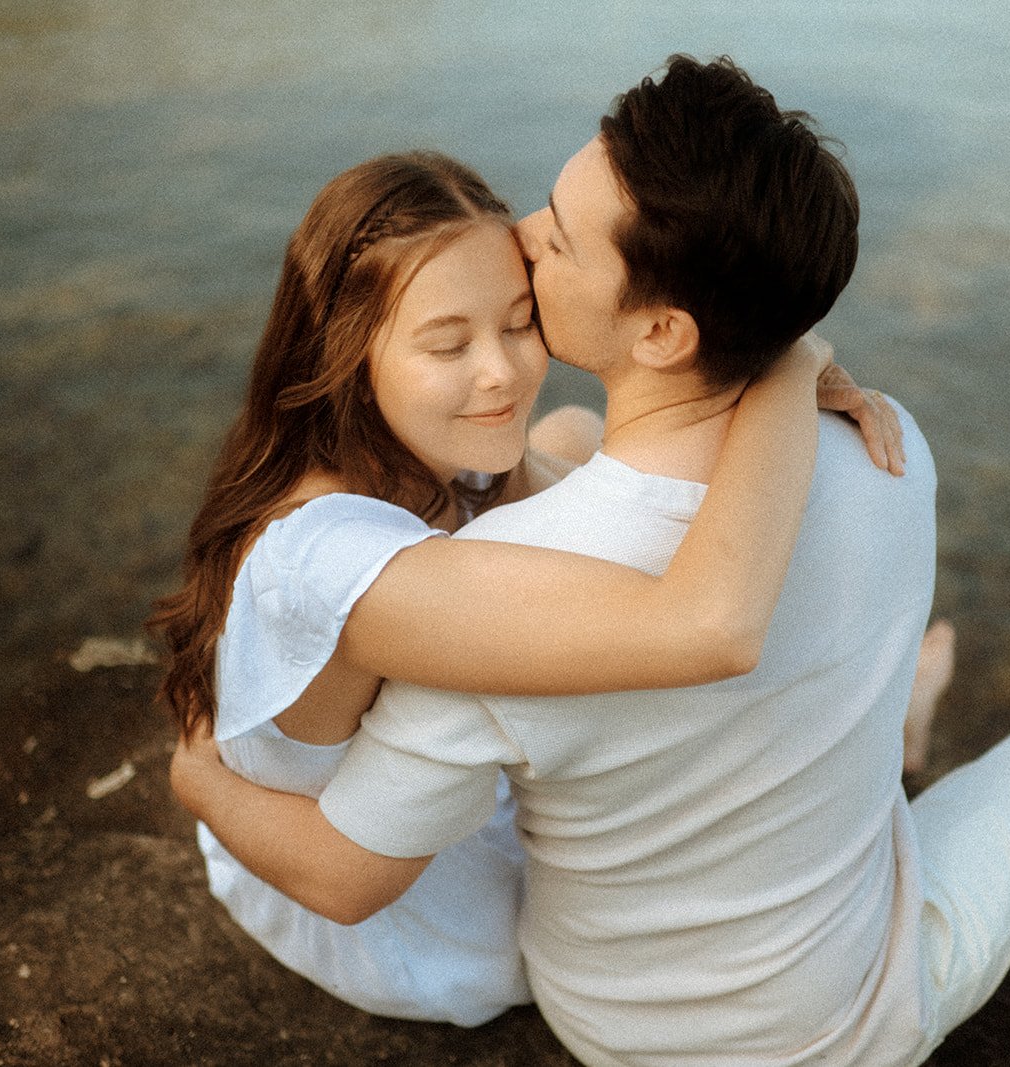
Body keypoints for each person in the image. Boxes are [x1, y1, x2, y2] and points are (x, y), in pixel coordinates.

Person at [173, 56, 1010, 1065]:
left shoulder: (491, 606)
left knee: (727, 666)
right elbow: (715, 597)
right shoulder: (892, 455)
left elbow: (353, 865)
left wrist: (196, 773)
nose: (524, 239)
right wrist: (789, 347)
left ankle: (917, 748)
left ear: (664, 327)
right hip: (816, 1022)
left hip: (613, 1018)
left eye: (556, 238)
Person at [147, 149, 910, 1026]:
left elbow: (601, 496)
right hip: (414, 912)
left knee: (579, 428)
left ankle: (901, 713)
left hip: (424, 791)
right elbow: (708, 625)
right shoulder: (341, 567)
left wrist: (731, 354)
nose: (502, 371)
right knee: (599, 484)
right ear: (348, 352)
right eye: (448, 343)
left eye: (519, 323)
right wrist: (781, 357)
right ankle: (902, 717)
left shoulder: (420, 455)